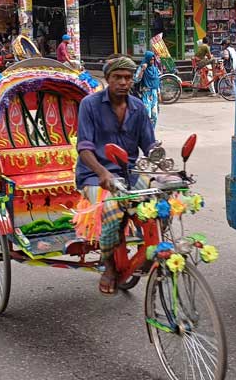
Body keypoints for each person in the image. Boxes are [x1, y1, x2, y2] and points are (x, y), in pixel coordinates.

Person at [76, 55, 156, 295]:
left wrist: (161, 164)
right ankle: (108, 264)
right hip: (94, 174)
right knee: (111, 211)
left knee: (164, 200)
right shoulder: (89, 105)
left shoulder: (138, 108)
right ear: (107, 79)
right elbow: (84, 147)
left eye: (128, 78)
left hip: (128, 173)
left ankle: (149, 247)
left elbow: (149, 145)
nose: (123, 82)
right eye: (117, 77)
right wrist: (101, 172)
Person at [134, 50, 162, 128]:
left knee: (154, 116)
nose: (152, 61)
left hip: (154, 94)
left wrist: (159, 93)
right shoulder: (142, 67)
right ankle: (145, 137)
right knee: (147, 116)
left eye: (153, 59)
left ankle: (151, 135)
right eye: (150, 59)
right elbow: (136, 79)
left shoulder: (155, 69)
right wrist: (142, 70)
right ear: (147, 59)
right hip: (146, 94)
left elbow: (157, 81)